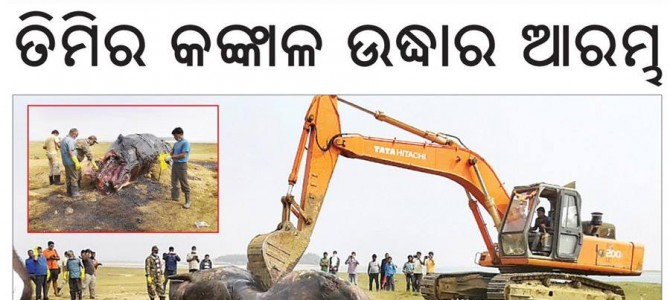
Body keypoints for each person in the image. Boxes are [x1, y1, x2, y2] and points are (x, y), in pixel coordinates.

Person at [169, 127, 192, 208]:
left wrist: (172, 157)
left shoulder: (186, 143)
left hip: (182, 165)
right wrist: (168, 156)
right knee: (174, 181)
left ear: (180, 134)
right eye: (174, 136)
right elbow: (172, 152)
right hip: (175, 165)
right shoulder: (176, 143)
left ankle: (188, 201)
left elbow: (183, 155)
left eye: (175, 135)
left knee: (184, 183)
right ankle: (175, 197)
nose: (174, 137)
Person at [60, 128, 83, 197]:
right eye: (76, 135)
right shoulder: (70, 140)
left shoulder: (64, 139)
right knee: (74, 177)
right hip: (71, 161)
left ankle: (69, 192)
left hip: (65, 161)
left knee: (68, 177)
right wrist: (76, 161)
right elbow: (70, 152)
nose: (76, 136)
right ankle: (75, 193)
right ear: (73, 133)